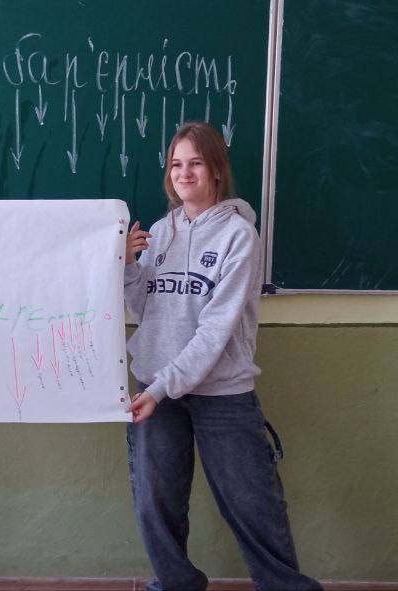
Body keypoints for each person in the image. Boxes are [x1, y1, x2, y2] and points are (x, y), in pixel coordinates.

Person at [123, 122, 320, 591]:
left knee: (252, 502)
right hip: (156, 390)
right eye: (176, 164)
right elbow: (141, 308)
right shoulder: (159, 231)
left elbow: (216, 330)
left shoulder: (238, 235)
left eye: (195, 163)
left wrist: (161, 388)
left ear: (216, 170)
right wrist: (128, 265)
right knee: (155, 502)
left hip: (220, 393)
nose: (184, 173)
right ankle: (177, 584)